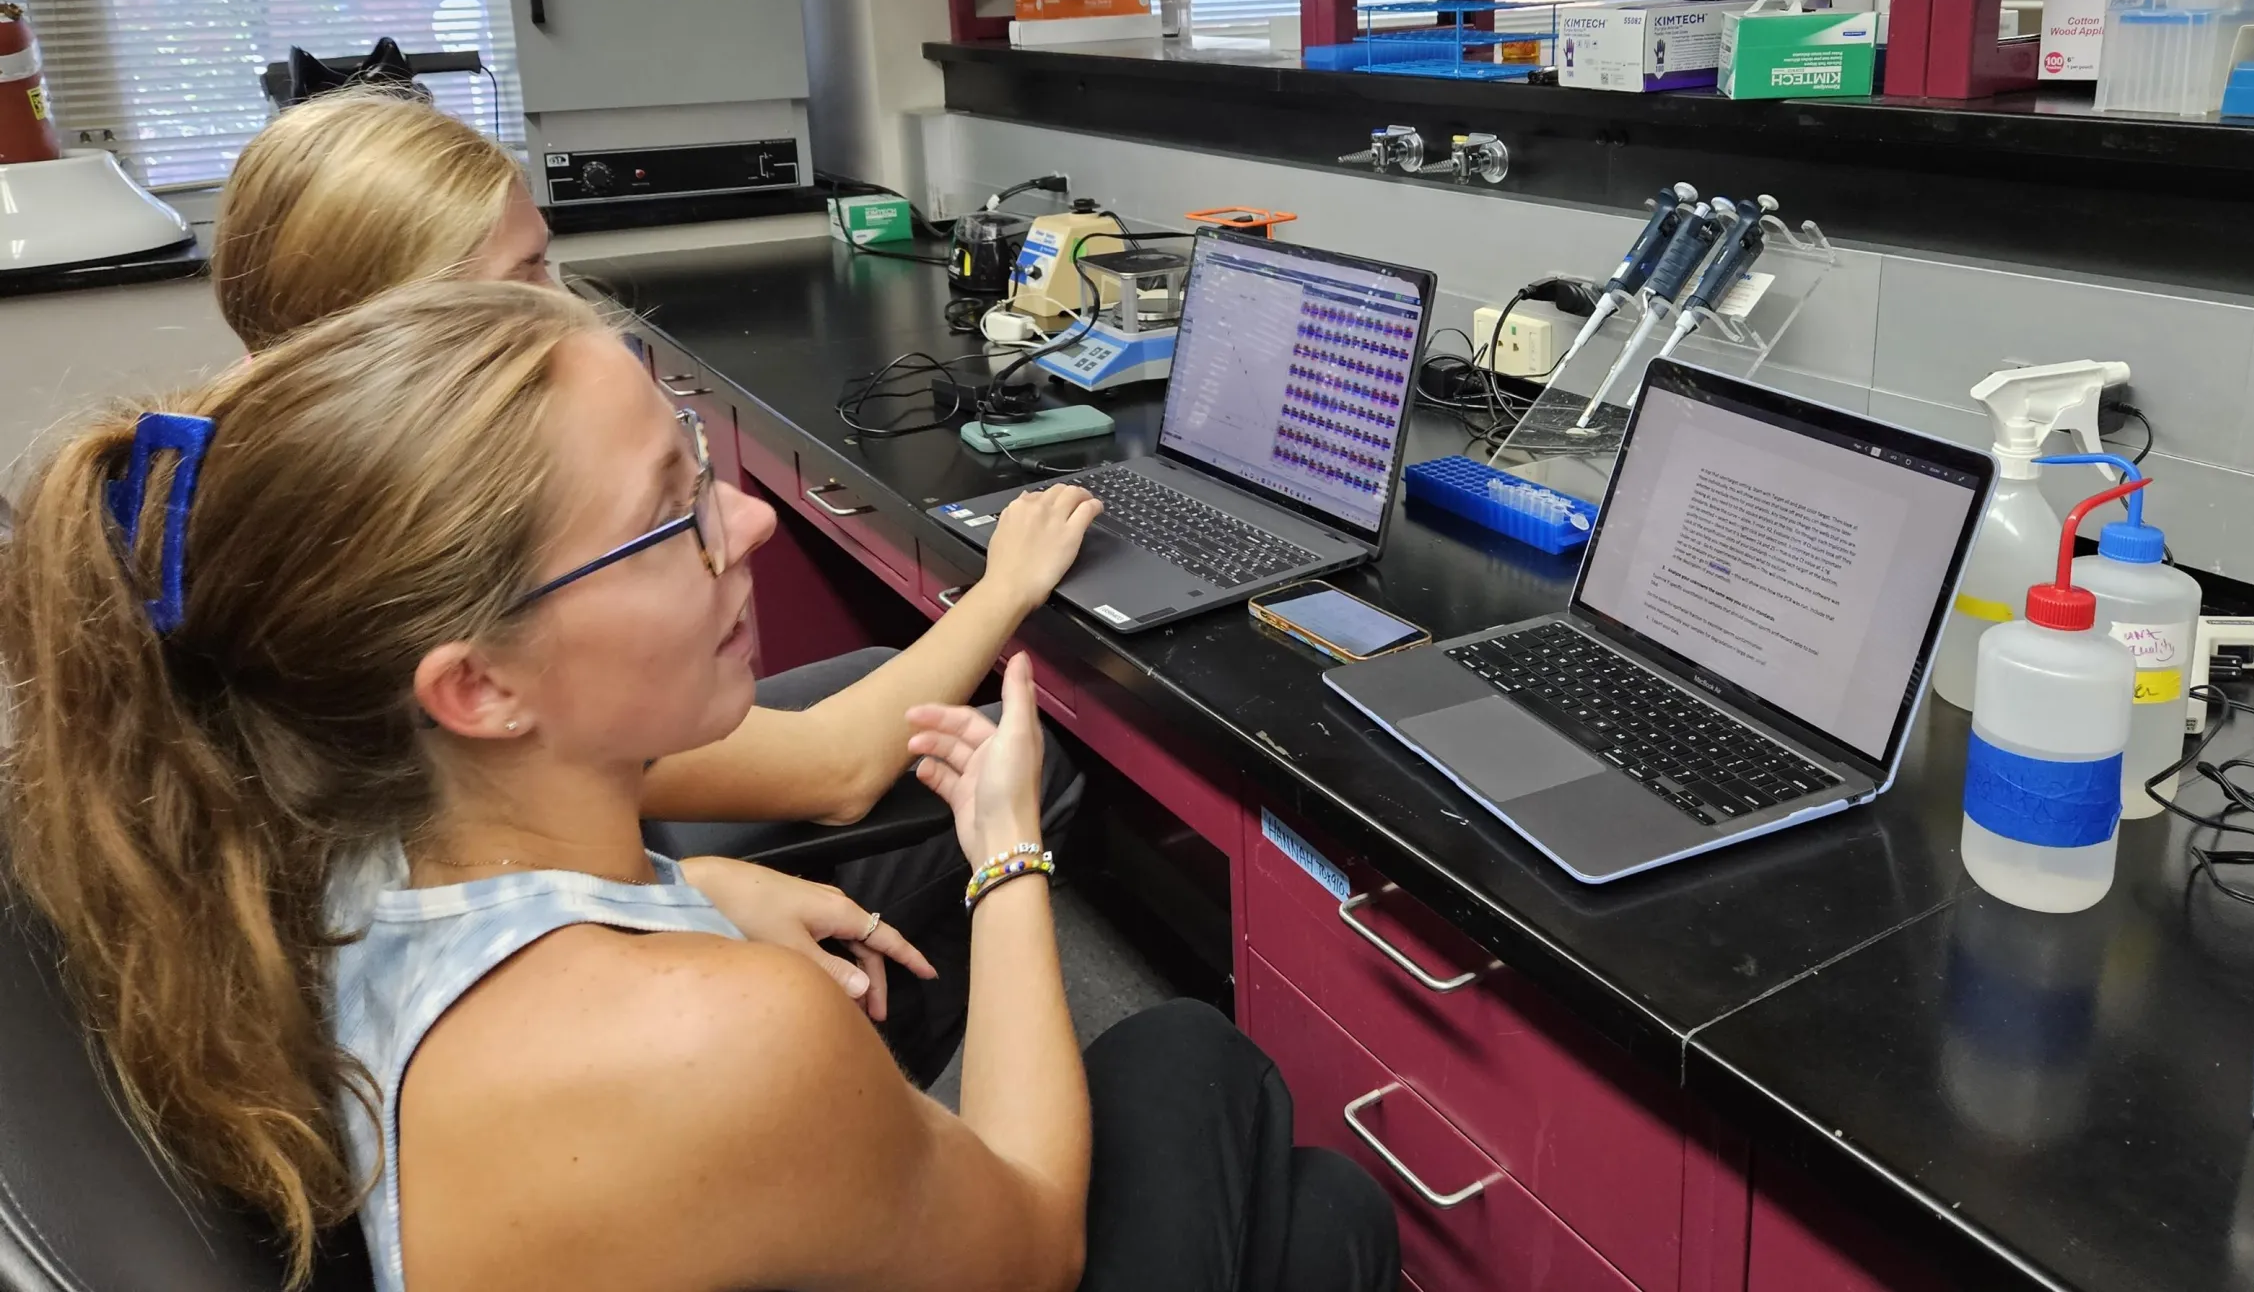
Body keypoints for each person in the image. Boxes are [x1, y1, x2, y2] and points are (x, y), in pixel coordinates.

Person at [0, 279, 1396, 1292]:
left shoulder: (312, 818)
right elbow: (1033, 1241)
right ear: (477, 688)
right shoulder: (719, 1041)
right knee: (1226, 1090)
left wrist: (699, 888)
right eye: (673, 515)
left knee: (1257, 1147)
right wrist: (1007, 847)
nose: (754, 518)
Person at [210, 88, 1079, 1083]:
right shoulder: (438, 599)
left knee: (897, 674)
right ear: (417, 337)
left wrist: (687, 883)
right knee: (1005, 761)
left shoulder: (276, 511)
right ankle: (864, 1103)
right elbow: (835, 771)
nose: (569, 304)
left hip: (600, 877)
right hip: (624, 1001)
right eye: (528, 277)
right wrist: (1003, 586)